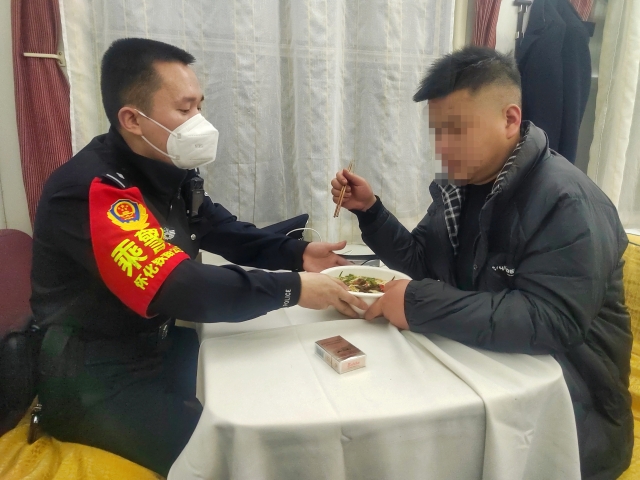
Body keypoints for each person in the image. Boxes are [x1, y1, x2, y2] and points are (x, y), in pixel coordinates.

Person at [31, 38, 367, 476]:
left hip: (157, 349)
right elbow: (178, 286)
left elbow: (220, 228)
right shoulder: (96, 190)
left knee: (280, 383)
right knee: (236, 457)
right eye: (184, 109)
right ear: (132, 119)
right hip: (92, 378)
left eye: (200, 107)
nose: (200, 122)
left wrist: (299, 253)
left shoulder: (168, 171)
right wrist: (295, 288)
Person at [331, 46, 633, 480]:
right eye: (437, 132)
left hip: (568, 419)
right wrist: (372, 212)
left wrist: (417, 303)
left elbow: (551, 320)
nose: (442, 147)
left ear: (510, 119)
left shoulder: (568, 201)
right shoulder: (462, 186)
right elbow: (424, 261)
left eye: (456, 130)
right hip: (486, 389)